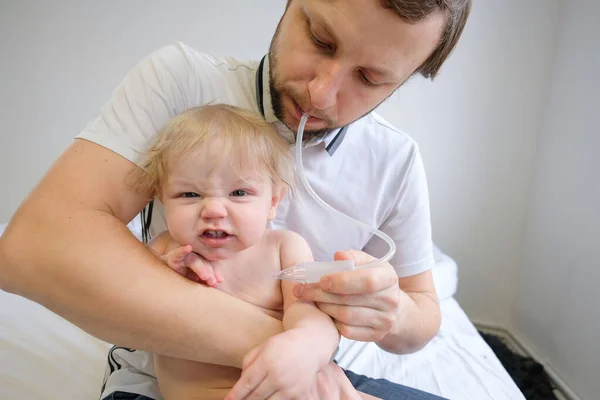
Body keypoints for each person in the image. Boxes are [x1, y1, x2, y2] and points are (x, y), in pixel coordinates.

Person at [0, 0, 471, 399]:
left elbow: (423, 311)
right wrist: (295, 352)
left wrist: (396, 313)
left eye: (369, 77)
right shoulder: (180, 82)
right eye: (321, 40)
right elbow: (32, 250)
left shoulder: (396, 160)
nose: (321, 94)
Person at [134, 103, 368, 399]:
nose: (214, 209)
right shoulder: (162, 251)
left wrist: (306, 345)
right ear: (163, 199)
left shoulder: (284, 248)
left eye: (239, 193)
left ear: (273, 201)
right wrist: (167, 278)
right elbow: (134, 312)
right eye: (189, 194)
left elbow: (309, 314)